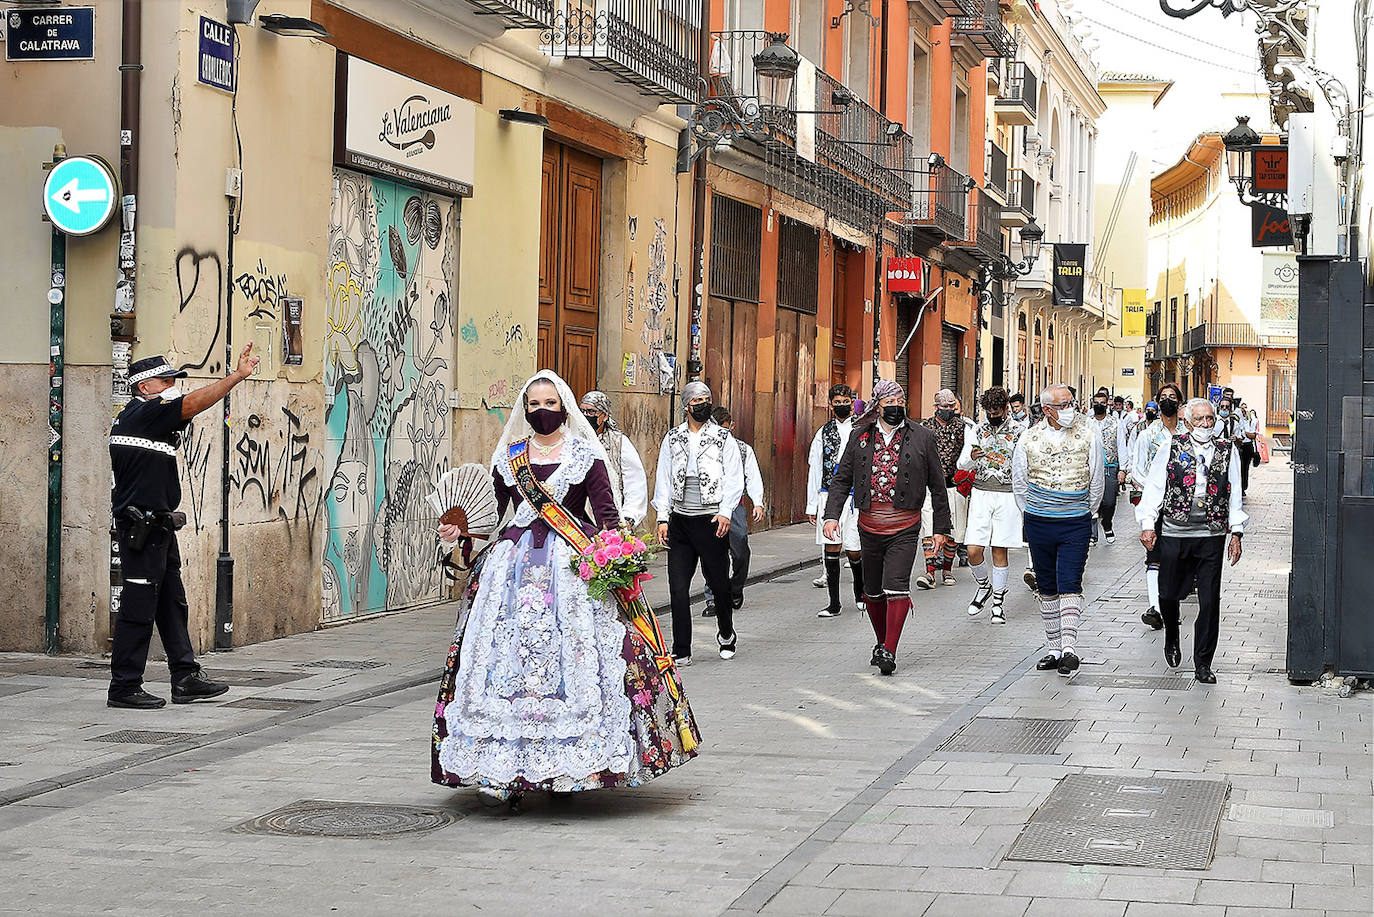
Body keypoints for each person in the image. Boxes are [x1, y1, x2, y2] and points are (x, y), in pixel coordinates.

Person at [431, 370, 699, 809]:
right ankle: (503, 770)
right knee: (506, 661)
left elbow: (608, 514)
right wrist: (460, 532)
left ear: (564, 407)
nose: (541, 412)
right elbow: (492, 516)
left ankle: (569, 769)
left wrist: (619, 557)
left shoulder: (584, 454)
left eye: (549, 404)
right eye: (533, 405)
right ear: (524, 408)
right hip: (511, 570)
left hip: (571, 571)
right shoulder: (510, 456)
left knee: (573, 661)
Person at [106, 347, 260, 709]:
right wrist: (236, 377)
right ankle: (124, 686)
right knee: (138, 607)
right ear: (144, 387)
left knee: (172, 604)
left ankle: (185, 677)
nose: (173, 386)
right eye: (166, 380)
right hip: (139, 531)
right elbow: (193, 404)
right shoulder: (142, 415)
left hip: (159, 529)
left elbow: (185, 409)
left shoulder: (150, 418)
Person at [824, 379, 949, 676]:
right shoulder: (860, 436)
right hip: (869, 525)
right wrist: (831, 516)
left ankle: (889, 651)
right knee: (873, 591)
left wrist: (941, 528)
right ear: (877, 405)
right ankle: (881, 641)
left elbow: (938, 486)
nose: (895, 407)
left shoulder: (922, 437)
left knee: (896, 587)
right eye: (889, 402)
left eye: (900, 401)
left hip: (905, 525)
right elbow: (842, 479)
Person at [1136, 398, 1247, 684]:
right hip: (1175, 531)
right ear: (1187, 422)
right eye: (1200, 420)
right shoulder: (1170, 447)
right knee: (1169, 594)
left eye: (1210, 419)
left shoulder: (1226, 450)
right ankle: (1171, 632)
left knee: (1209, 601)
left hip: (1211, 534)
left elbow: (1233, 492)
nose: (1206, 425)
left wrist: (1236, 531)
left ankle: (1203, 662)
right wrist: (1148, 524)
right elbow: (1155, 487)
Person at [1013, 383, 1104, 677]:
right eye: (1063, 405)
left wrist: (1085, 512)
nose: (1070, 409)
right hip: (1039, 521)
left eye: (1071, 403)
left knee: (1070, 581)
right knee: (1047, 585)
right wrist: (1036, 510)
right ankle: (1053, 648)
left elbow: (1096, 478)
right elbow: (1020, 482)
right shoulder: (1028, 438)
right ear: (1048, 409)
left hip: (1075, 521)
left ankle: (1069, 648)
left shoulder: (1089, 434)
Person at [652, 381, 744, 663]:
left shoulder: (722, 437)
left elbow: (734, 476)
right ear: (686, 405)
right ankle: (682, 648)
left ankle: (726, 632)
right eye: (697, 400)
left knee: (718, 583)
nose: (702, 404)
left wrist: (726, 511)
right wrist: (663, 517)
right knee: (678, 587)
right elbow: (664, 478)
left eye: (706, 399)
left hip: (711, 519)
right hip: (681, 520)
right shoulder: (673, 437)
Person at [958, 387, 1022, 624]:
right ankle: (984, 586)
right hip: (982, 493)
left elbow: (1023, 465)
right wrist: (972, 458)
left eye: (997, 411)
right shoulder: (976, 430)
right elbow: (962, 464)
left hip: (1007, 495)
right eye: (989, 411)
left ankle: (998, 603)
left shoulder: (1019, 431)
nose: (993, 415)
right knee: (974, 548)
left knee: (999, 548)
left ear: (1006, 408)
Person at [1129, 383, 1188, 630]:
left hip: (1184, 505)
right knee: (1154, 555)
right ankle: (1155, 607)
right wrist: (1154, 491)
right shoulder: (1147, 435)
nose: (1167, 401)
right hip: (1157, 504)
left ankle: (1171, 601)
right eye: (1163, 397)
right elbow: (1138, 469)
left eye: (1172, 397)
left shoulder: (1188, 434)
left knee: (1178, 558)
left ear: (1180, 402)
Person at [806, 384, 865, 618]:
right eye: (837, 402)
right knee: (831, 546)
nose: (842, 405)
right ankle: (834, 602)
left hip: (855, 498)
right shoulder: (823, 432)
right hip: (828, 495)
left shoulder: (862, 429)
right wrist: (812, 504)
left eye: (846, 401)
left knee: (854, 549)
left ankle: (860, 595)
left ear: (852, 402)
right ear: (831, 404)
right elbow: (815, 467)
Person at [703, 406, 765, 617]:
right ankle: (713, 597)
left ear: (732, 427)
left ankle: (736, 588)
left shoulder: (743, 449)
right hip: (709, 507)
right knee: (711, 553)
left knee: (739, 551)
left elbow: (753, 475)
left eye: (725, 429)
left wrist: (757, 502)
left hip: (734, 506)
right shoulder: (702, 448)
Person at [919, 389, 973, 588]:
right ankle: (930, 572)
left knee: (956, 532)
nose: (948, 410)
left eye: (952, 406)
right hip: (929, 488)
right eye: (945, 407)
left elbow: (969, 455)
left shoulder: (964, 428)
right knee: (929, 527)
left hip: (954, 486)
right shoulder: (924, 428)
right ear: (936, 407)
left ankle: (948, 570)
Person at [578, 391, 648, 527]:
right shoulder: (573, 439)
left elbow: (635, 483)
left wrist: (629, 517)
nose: (586, 416)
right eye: (583, 411)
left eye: (591, 412)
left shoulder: (619, 442)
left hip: (609, 515)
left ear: (604, 416)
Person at [1089, 391, 1129, 545]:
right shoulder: (1088, 423)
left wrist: (1122, 469)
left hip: (1110, 467)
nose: (1099, 405)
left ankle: (1107, 524)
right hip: (1091, 468)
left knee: (1109, 502)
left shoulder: (1115, 423)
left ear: (1107, 405)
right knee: (1091, 501)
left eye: (1102, 403)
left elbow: (1121, 445)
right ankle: (1092, 534)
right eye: (1096, 402)